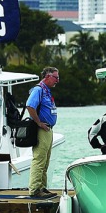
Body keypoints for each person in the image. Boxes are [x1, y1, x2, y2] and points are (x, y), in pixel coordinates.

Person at [26, 67, 60, 197]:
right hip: (41, 129)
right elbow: (30, 105)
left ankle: (42, 187)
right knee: (39, 159)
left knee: (45, 161)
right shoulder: (39, 89)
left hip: (48, 129)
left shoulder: (47, 91)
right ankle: (35, 189)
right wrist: (39, 122)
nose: (57, 80)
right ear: (47, 76)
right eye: (55, 77)